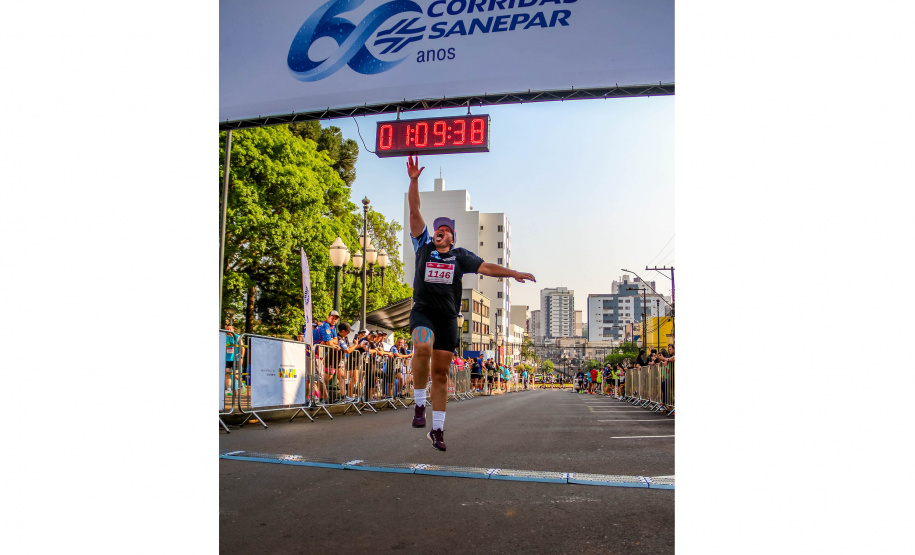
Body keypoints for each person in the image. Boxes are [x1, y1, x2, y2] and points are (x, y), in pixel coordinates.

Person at [406, 156, 536, 451]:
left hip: (449, 317)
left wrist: (513, 272)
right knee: (422, 347)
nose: (440, 231)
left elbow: (488, 267)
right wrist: (414, 181)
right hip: (424, 312)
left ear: (452, 236)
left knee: (441, 373)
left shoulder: (460, 256)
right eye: (437, 229)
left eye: (445, 230)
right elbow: (415, 210)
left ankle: (437, 430)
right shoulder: (423, 245)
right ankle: (418, 406)